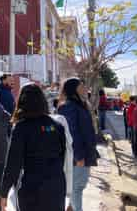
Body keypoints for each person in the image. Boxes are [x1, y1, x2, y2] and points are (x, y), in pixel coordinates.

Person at [0, 84, 68, 211]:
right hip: (56, 187)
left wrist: (3, 193)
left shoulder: (21, 128)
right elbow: (62, 157)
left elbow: (13, 164)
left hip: (32, 189)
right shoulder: (56, 126)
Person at [59, 78, 99, 211]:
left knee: (78, 186)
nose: (84, 87)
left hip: (84, 153)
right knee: (77, 187)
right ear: (74, 89)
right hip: (78, 156)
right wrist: (79, 156)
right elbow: (72, 133)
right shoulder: (69, 106)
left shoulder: (80, 104)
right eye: (81, 85)